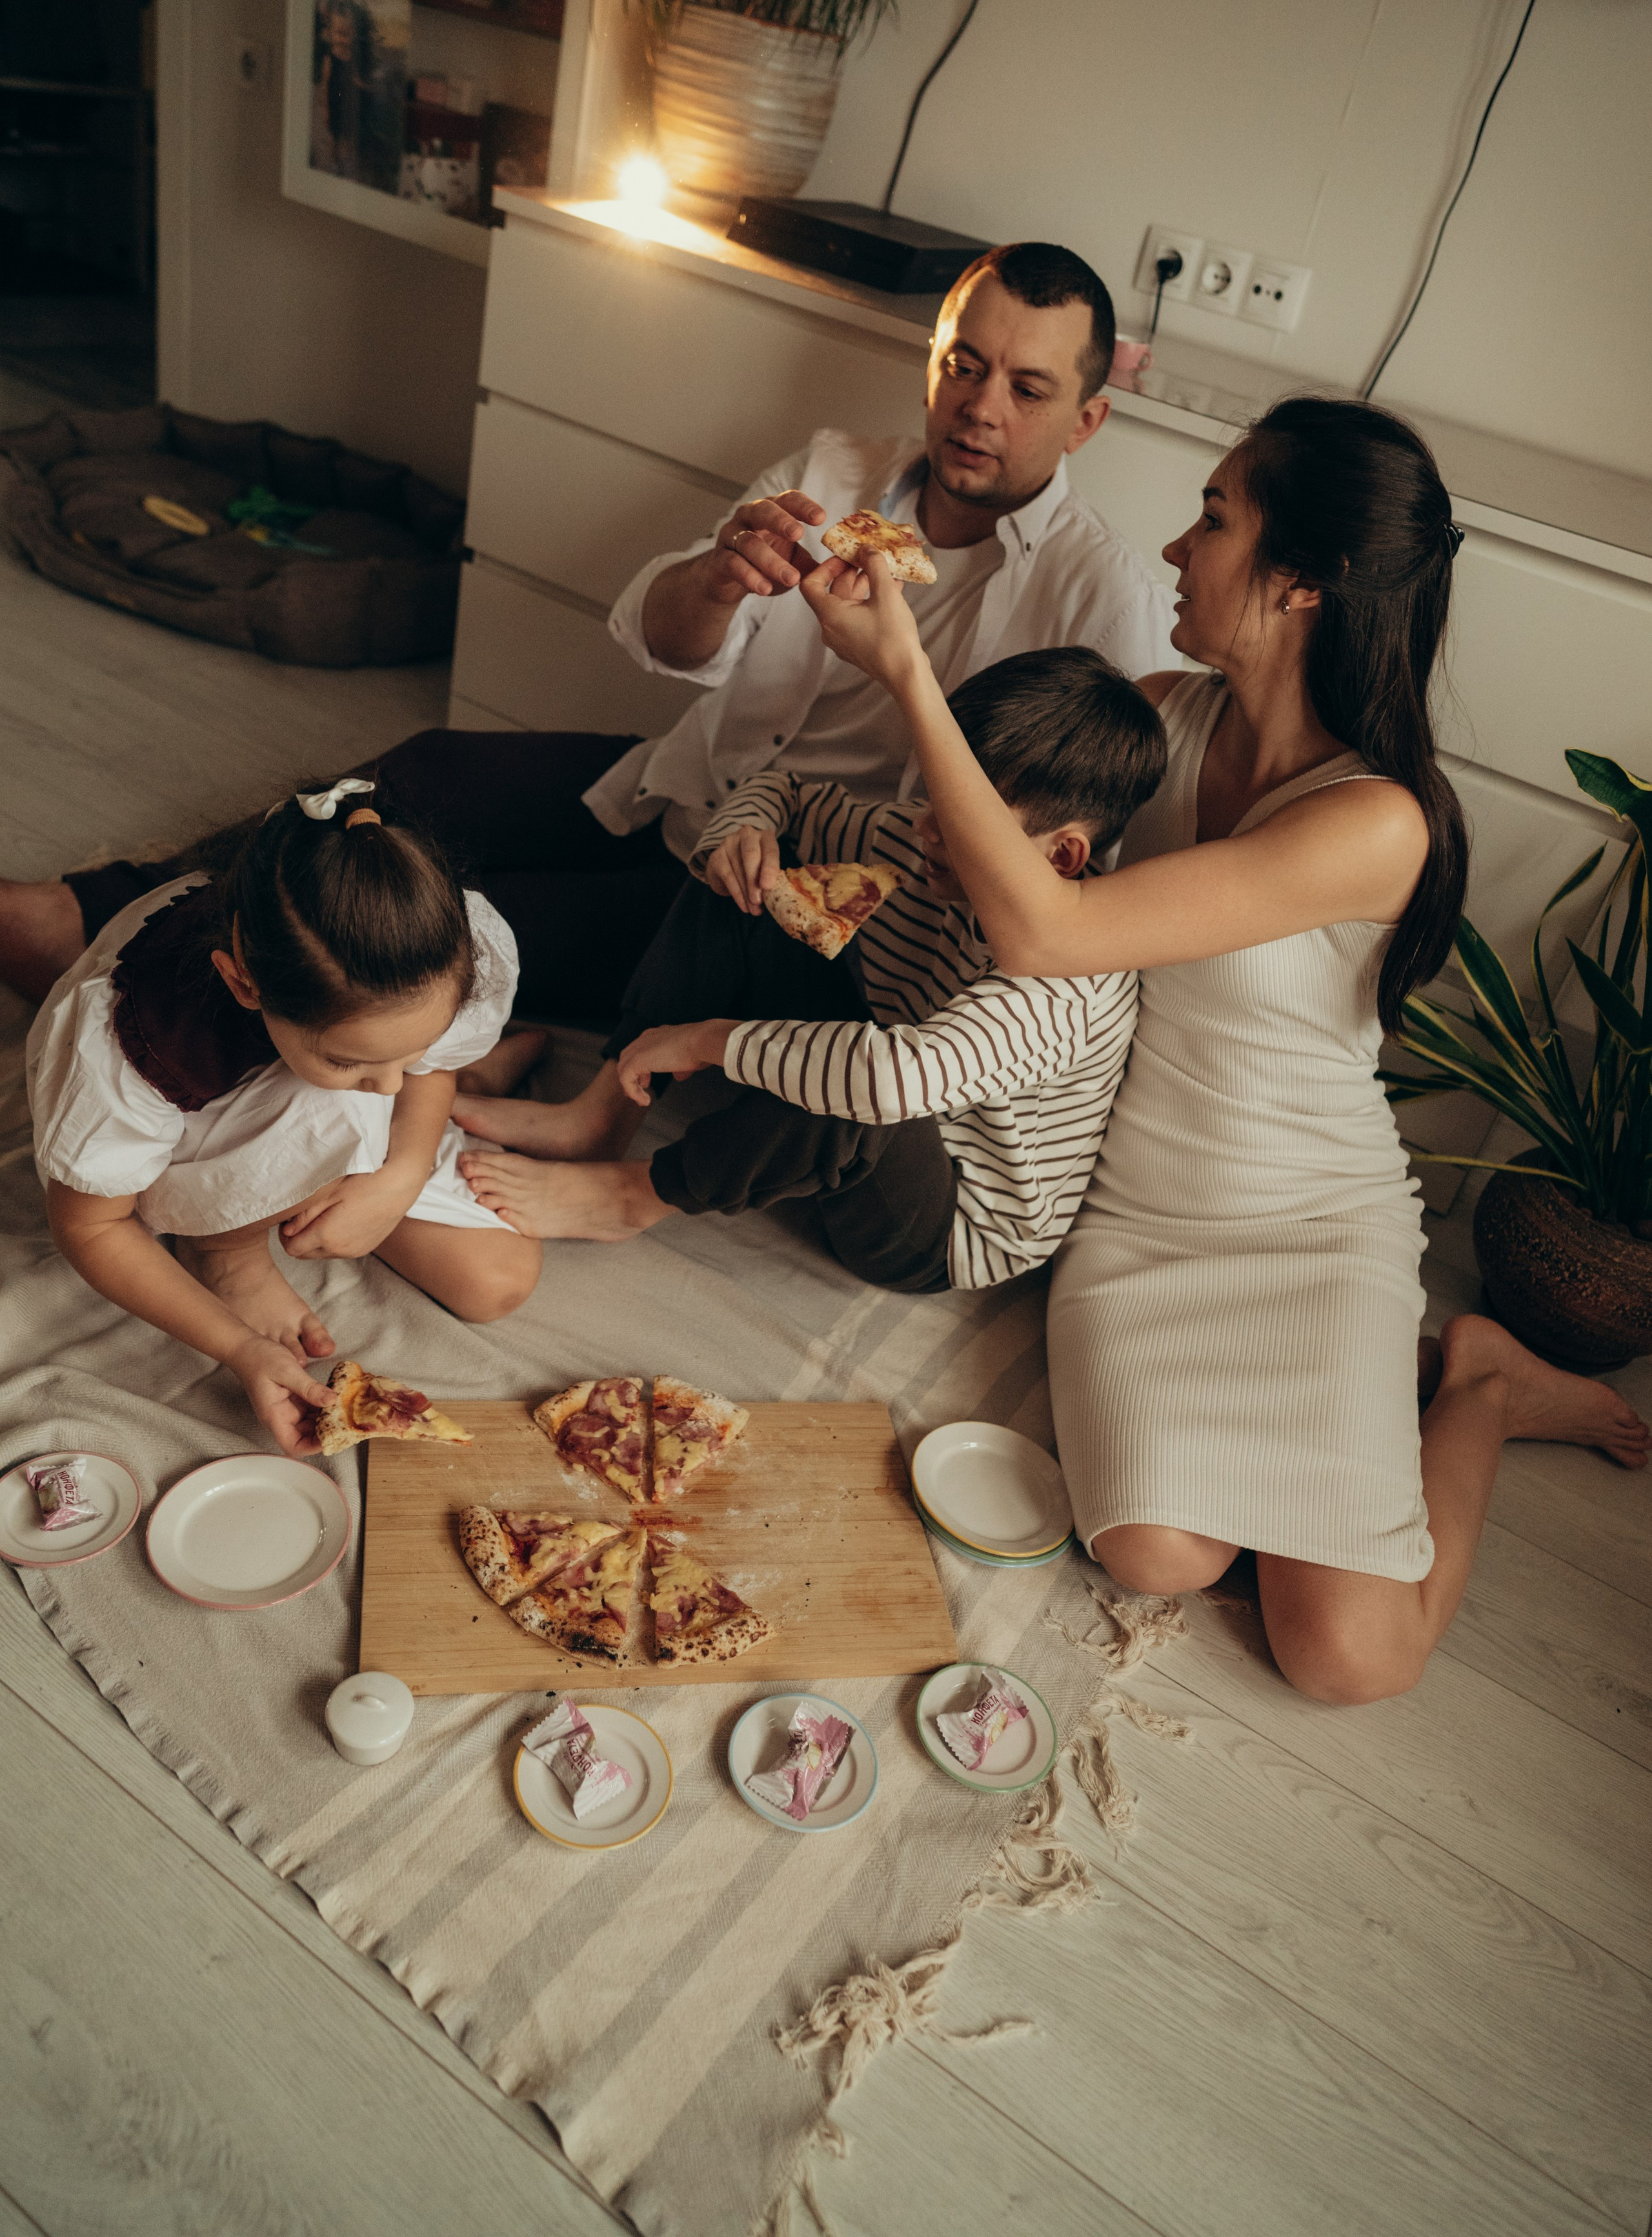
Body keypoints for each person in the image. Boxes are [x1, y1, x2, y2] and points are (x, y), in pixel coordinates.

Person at [788, 396, 1649, 1706]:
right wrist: (845, 725)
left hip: (1306, 1225)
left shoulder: (1376, 821)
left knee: (1347, 1659)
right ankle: (1361, 1426)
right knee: (1148, 1552)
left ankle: (1472, 1381)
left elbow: (1044, 928)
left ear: (1303, 583)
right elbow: (999, 839)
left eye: (1213, 519)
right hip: (1135, 1222)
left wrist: (903, 673)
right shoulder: (1157, 716)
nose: (1176, 551)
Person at [0, 242, 1174, 1022]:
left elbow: (1036, 866)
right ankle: (105, 906)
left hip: (780, 907)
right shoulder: (833, 472)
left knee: (452, 927)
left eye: (1027, 388)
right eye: (964, 365)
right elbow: (661, 637)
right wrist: (720, 573)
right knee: (408, 778)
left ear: (1088, 420)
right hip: (680, 791)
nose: (980, 406)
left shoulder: (1095, 598)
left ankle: (141, 984)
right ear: (931, 361)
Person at [457, 649, 1164, 1289]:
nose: (923, 825)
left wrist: (710, 1039)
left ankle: (633, 1197)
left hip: (939, 1220)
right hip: (884, 1063)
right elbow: (784, 791)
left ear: (1062, 856)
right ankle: (602, 1112)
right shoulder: (920, 842)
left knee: (865, 1086)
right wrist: (745, 830)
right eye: (933, 788)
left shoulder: (1071, 987)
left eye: (957, 813)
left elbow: (891, 1081)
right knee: (747, 878)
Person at [26, 775, 541, 1459]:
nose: (392, 1085)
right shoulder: (139, 1040)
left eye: (411, 1050)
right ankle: (224, 1247)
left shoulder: (427, 943)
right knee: (335, 1106)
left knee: (496, 1281)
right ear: (245, 984)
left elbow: (416, 1069)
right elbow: (91, 1226)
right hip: (204, 1128)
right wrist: (237, 1348)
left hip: (308, 1086)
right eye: (353, 1063)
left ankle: (443, 1081)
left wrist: (402, 1173)